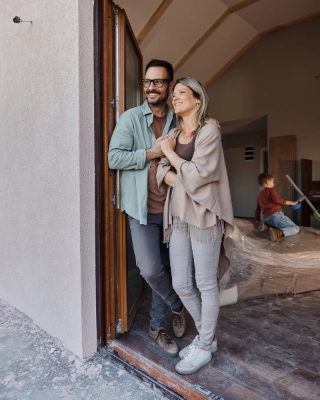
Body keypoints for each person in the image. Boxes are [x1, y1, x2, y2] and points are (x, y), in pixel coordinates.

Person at [108, 60, 220, 357]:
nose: (151, 87)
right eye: (147, 82)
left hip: (175, 210)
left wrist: (209, 122)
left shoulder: (179, 118)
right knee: (150, 269)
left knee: (174, 269)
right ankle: (177, 305)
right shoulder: (131, 119)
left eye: (158, 82)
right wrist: (152, 152)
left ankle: (157, 326)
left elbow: (198, 135)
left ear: (170, 86)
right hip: (142, 209)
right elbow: (113, 158)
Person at [156, 77, 234, 374]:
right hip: (178, 217)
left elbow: (202, 174)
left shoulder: (209, 131)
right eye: (173, 94)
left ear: (197, 99)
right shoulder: (173, 132)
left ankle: (203, 346)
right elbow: (161, 172)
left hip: (204, 217)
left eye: (181, 93)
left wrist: (171, 154)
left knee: (204, 284)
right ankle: (207, 337)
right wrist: (177, 171)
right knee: (181, 283)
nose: (174, 97)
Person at [255, 173, 300, 241]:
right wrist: (292, 203)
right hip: (276, 215)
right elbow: (276, 200)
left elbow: (258, 210)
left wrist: (258, 220)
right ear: (267, 182)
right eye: (273, 182)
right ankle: (278, 233)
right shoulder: (271, 189)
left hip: (267, 218)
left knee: (276, 225)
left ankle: (266, 226)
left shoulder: (259, 195)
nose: (273, 184)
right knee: (295, 228)